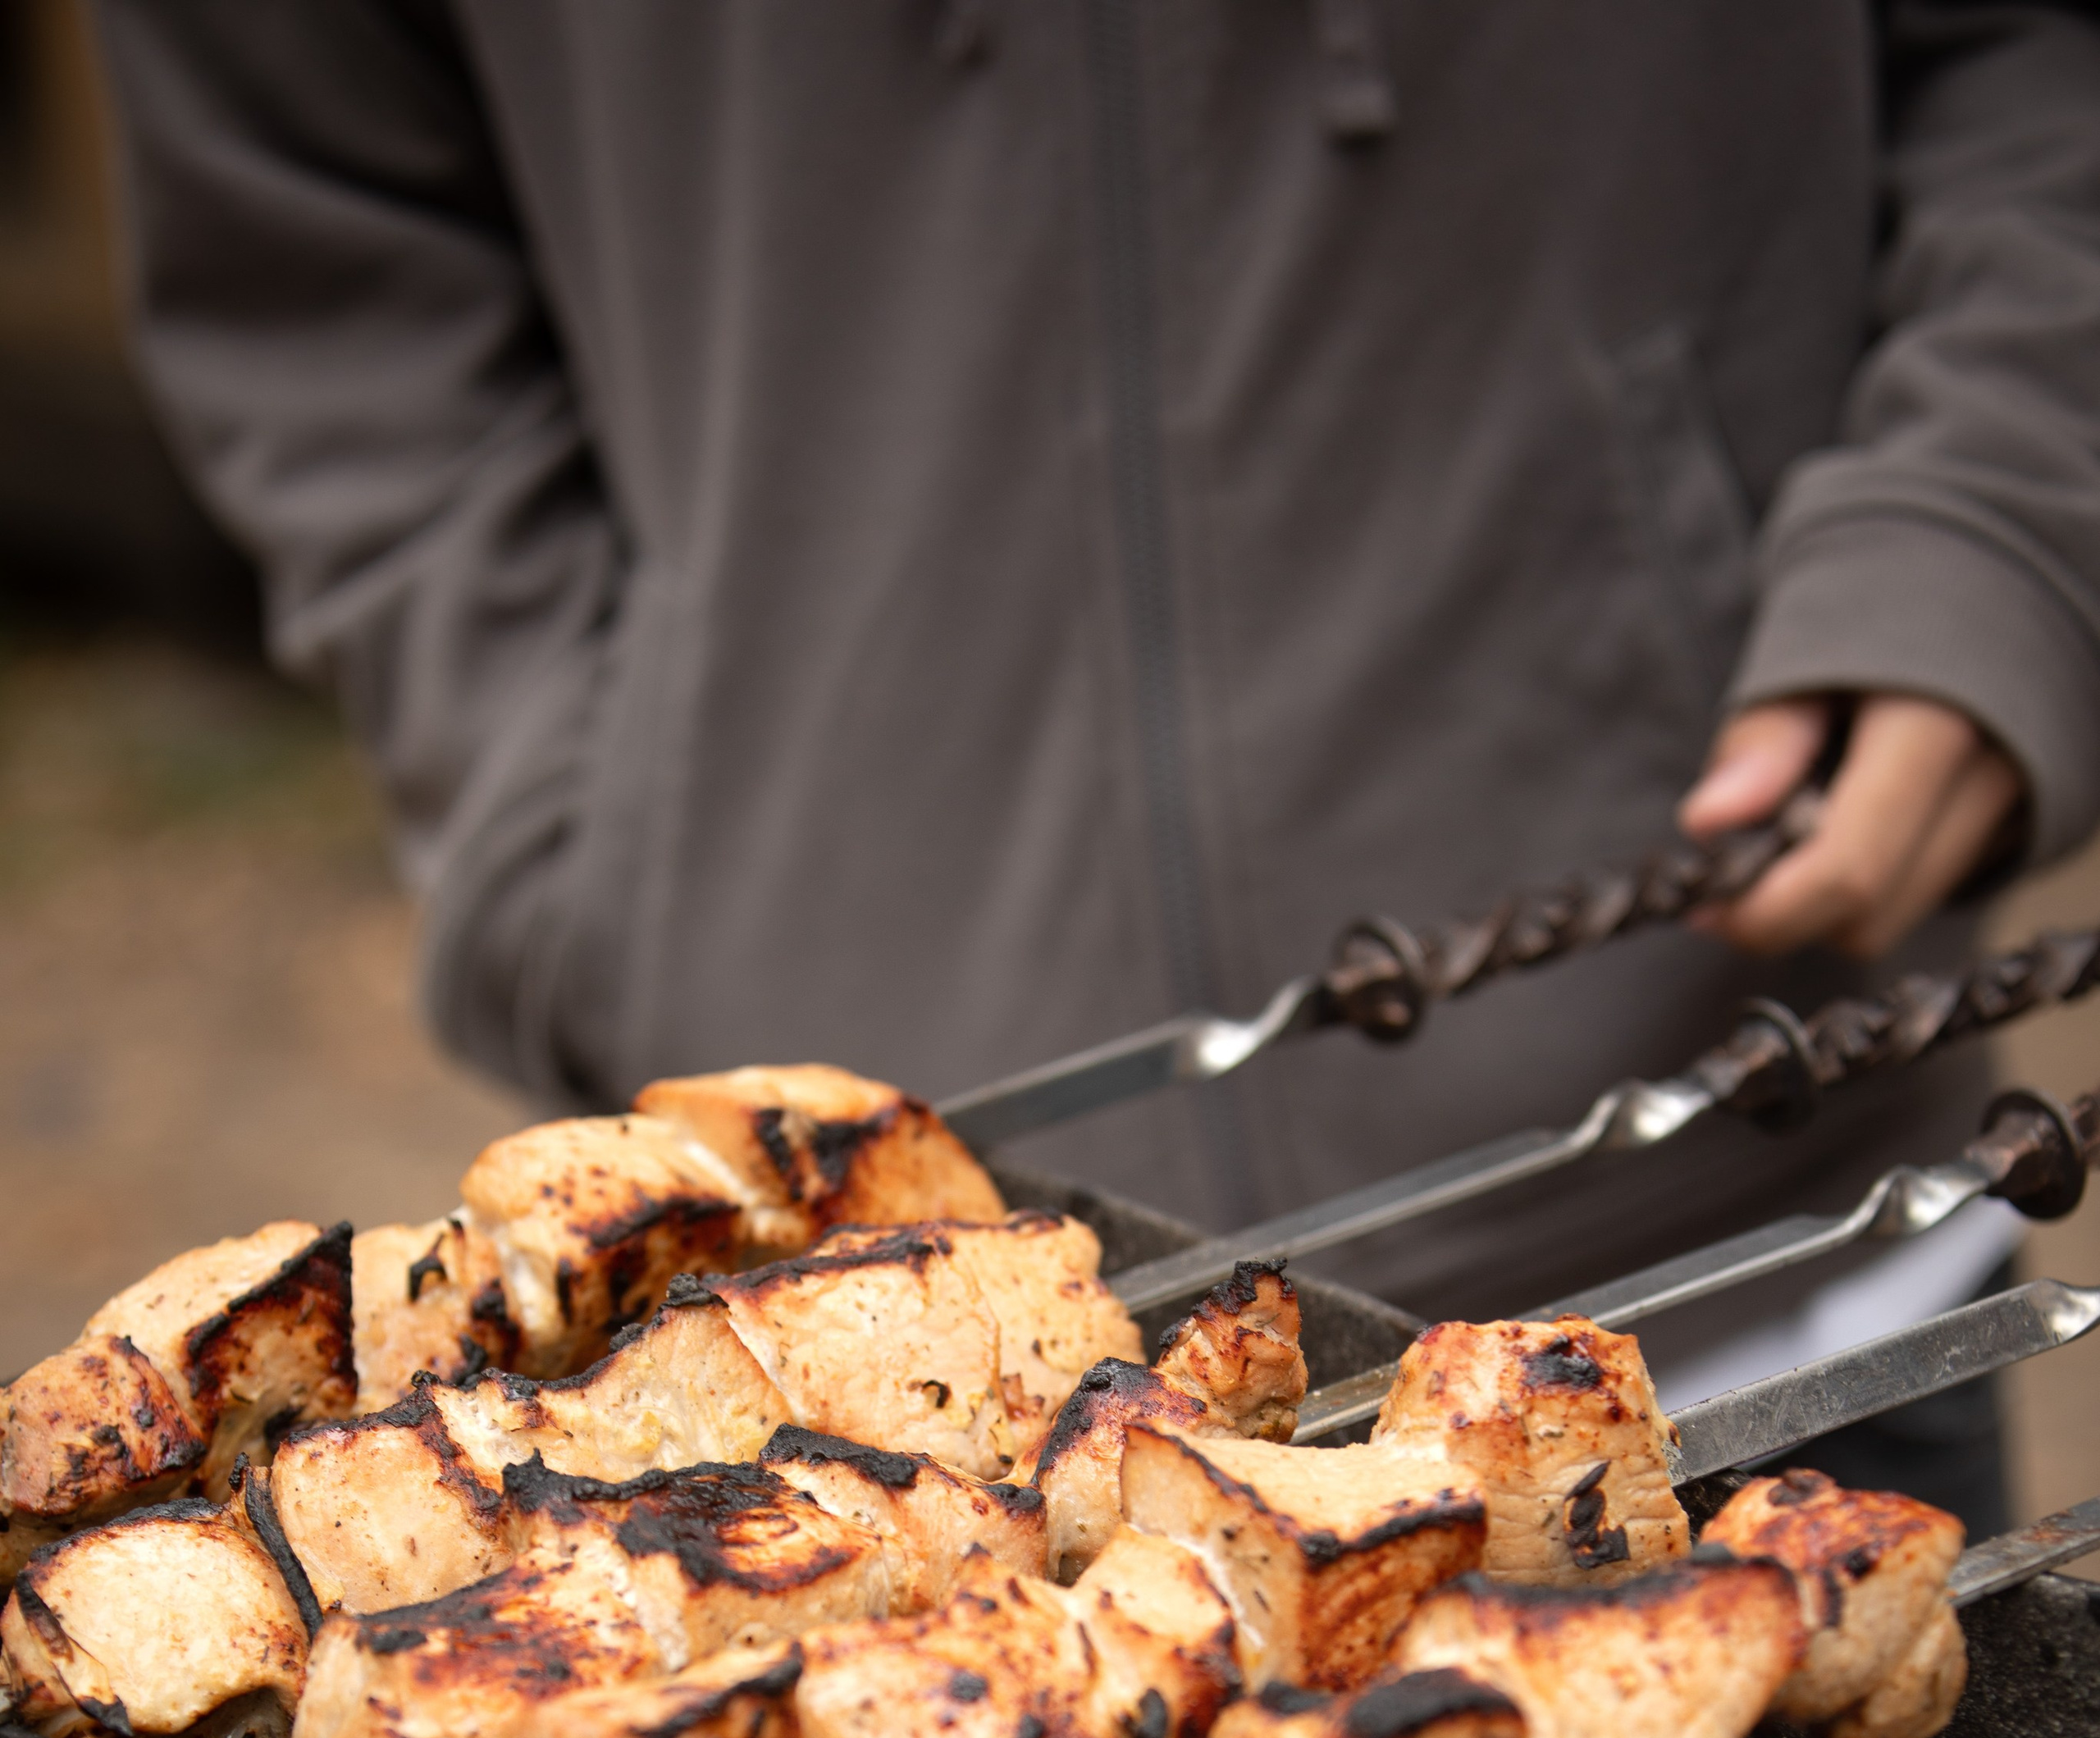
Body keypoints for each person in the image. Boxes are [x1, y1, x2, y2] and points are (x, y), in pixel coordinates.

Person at [87, 5, 2100, 1526]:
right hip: (882, 1398)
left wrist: (1994, 528)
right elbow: (311, 218)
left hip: (1753, 1258)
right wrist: (581, 848)